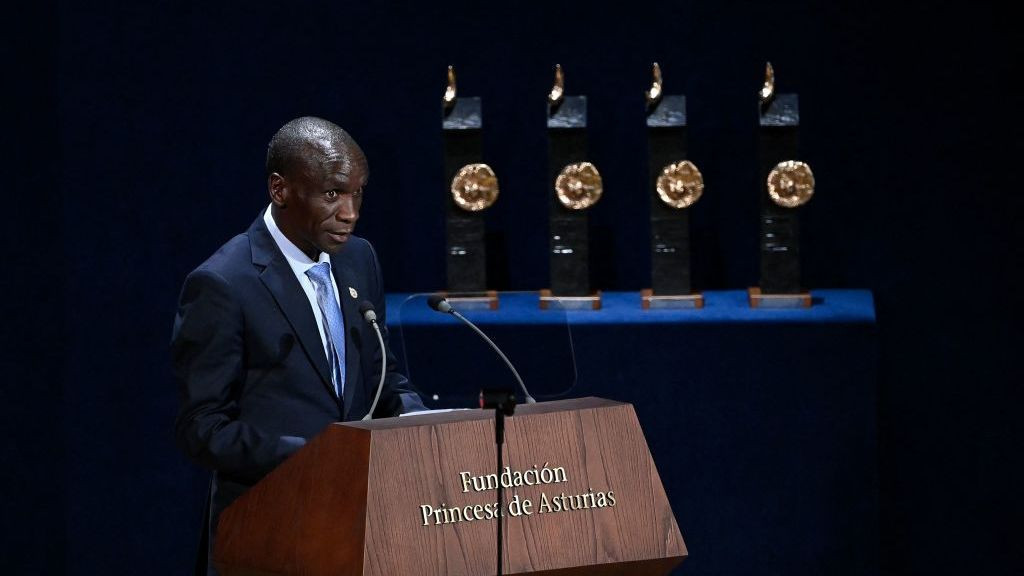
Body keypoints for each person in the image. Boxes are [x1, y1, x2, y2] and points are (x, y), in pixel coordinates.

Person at [171, 116, 424, 575]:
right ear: (280, 189)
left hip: (360, 532)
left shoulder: (359, 259)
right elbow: (201, 426)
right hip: (268, 534)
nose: (350, 211)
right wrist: (308, 457)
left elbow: (383, 377)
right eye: (332, 194)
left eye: (358, 192)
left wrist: (423, 424)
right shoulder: (223, 283)